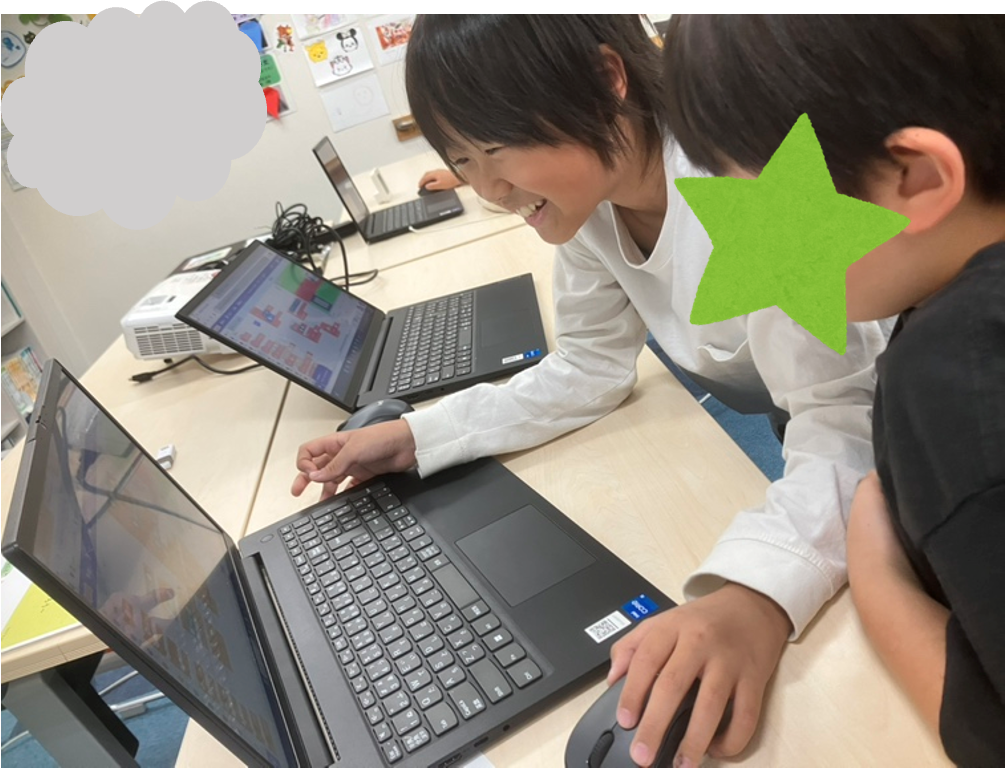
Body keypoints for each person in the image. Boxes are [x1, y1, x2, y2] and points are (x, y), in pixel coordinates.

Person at [293, 16, 888, 767]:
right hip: (800, 425)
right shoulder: (593, 205)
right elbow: (587, 367)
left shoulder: (751, 178)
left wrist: (757, 593)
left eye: (496, 149)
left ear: (607, 79)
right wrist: (418, 435)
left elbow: (852, 421)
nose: (489, 190)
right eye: (462, 160)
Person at [660, 14, 1004, 766]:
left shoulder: (954, 373)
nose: (744, 246)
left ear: (918, 177)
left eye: (753, 197)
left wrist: (878, 581)